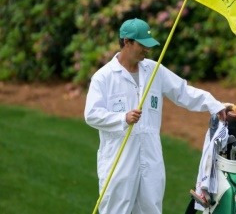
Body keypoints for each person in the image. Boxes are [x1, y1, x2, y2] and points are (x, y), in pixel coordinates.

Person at [84, 18, 227, 214]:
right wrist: (122, 119)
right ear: (127, 42)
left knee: (151, 208)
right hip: (118, 160)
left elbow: (183, 92)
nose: (147, 50)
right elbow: (91, 114)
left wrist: (214, 105)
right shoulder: (104, 77)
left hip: (151, 157)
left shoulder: (154, 70)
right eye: (142, 45)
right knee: (116, 209)